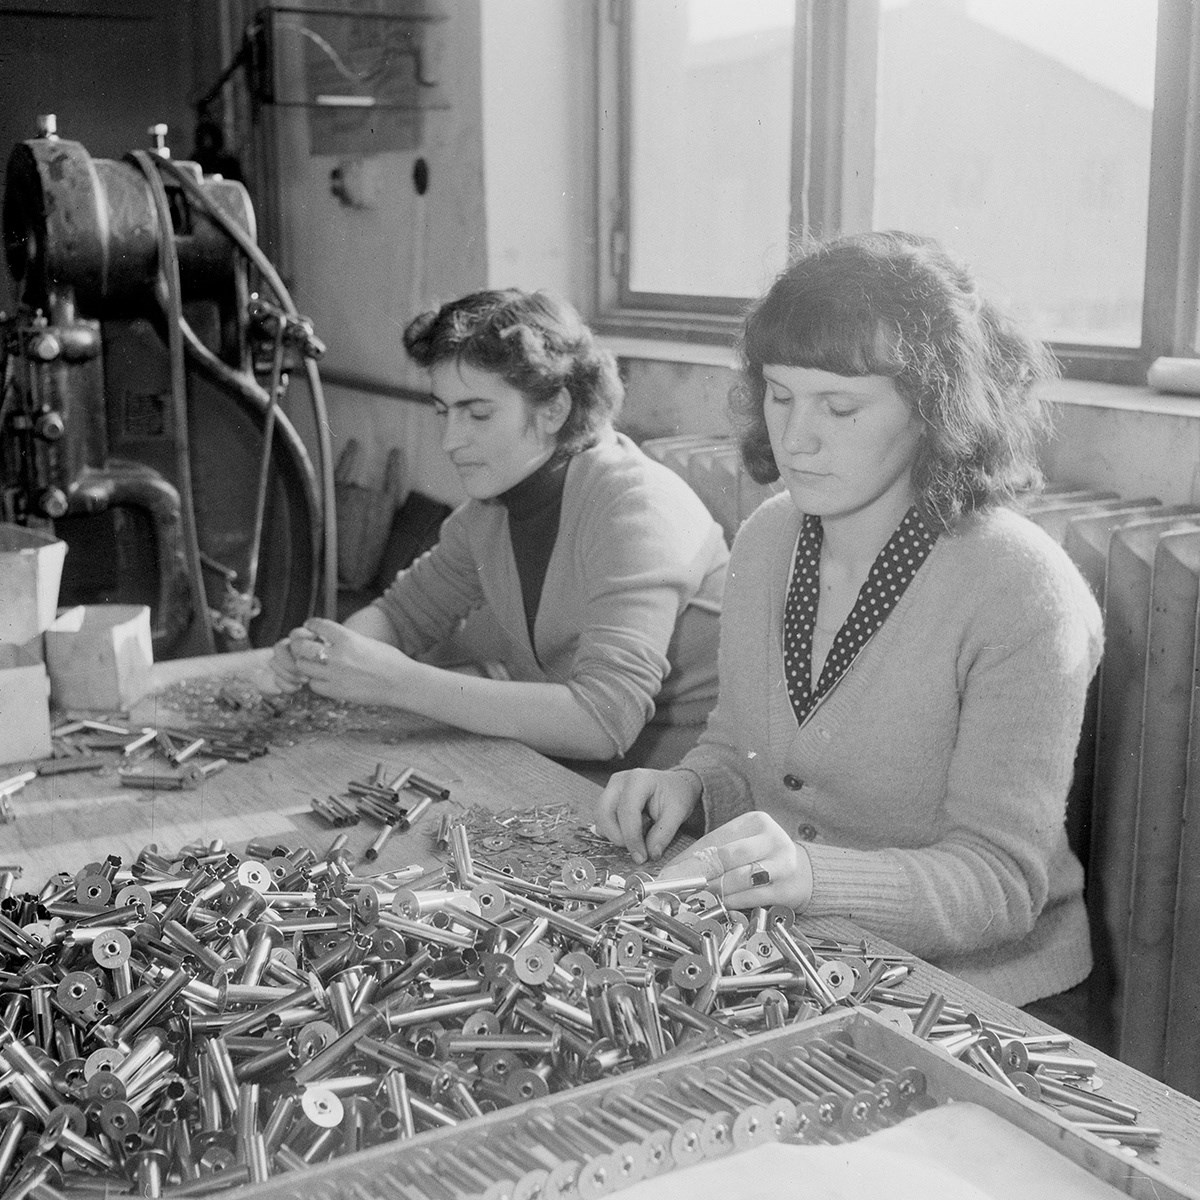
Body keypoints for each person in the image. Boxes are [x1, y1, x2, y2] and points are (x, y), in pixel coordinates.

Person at [596, 231, 1104, 1010]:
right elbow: (739, 748)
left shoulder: (1024, 591)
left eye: (840, 407)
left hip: (984, 994)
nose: (796, 439)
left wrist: (814, 875)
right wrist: (687, 784)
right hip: (815, 956)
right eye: (780, 395)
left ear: (933, 409)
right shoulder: (769, 538)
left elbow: (1001, 882)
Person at [272, 289, 729, 769]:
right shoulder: (491, 510)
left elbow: (602, 721)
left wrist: (396, 681)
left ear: (553, 409)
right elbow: (403, 615)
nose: (450, 440)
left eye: (478, 414)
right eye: (443, 411)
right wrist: (324, 656)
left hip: (680, 787)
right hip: (581, 770)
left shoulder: (637, 508)